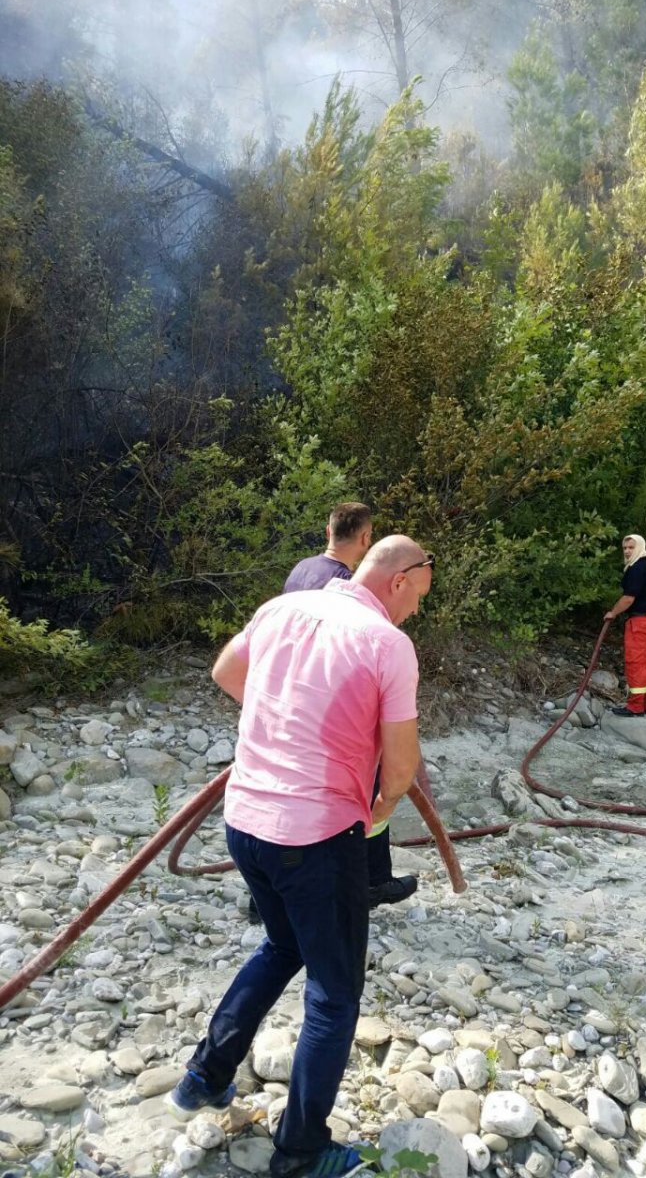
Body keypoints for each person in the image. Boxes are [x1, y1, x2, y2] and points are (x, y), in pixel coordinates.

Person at [167, 537, 434, 1178]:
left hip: (246, 822)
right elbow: (400, 769)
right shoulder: (388, 645)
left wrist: (288, 724)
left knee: (282, 947)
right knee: (336, 994)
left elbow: (227, 672)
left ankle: (205, 1075)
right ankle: (302, 1149)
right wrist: (378, 813)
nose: (418, 611)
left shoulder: (283, 608)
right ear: (400, 579)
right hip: (315, 836)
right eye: (421, 595)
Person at [281, 502, 418, 910]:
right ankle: (372, 882)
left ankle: (271, 893)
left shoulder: (301, 569)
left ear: (327, 530)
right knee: (369, 796)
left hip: (293, 702)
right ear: (365, 539)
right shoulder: (346, 583)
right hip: (335, 710)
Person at [603, 533, 646, 717]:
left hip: (640, 622)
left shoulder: (636, 568)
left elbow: (628, 598)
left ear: (639, 546)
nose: (627, 551)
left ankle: (635, 706)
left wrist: (613, 613)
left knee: (636, 662)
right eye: (625, 548)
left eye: (631, 547)